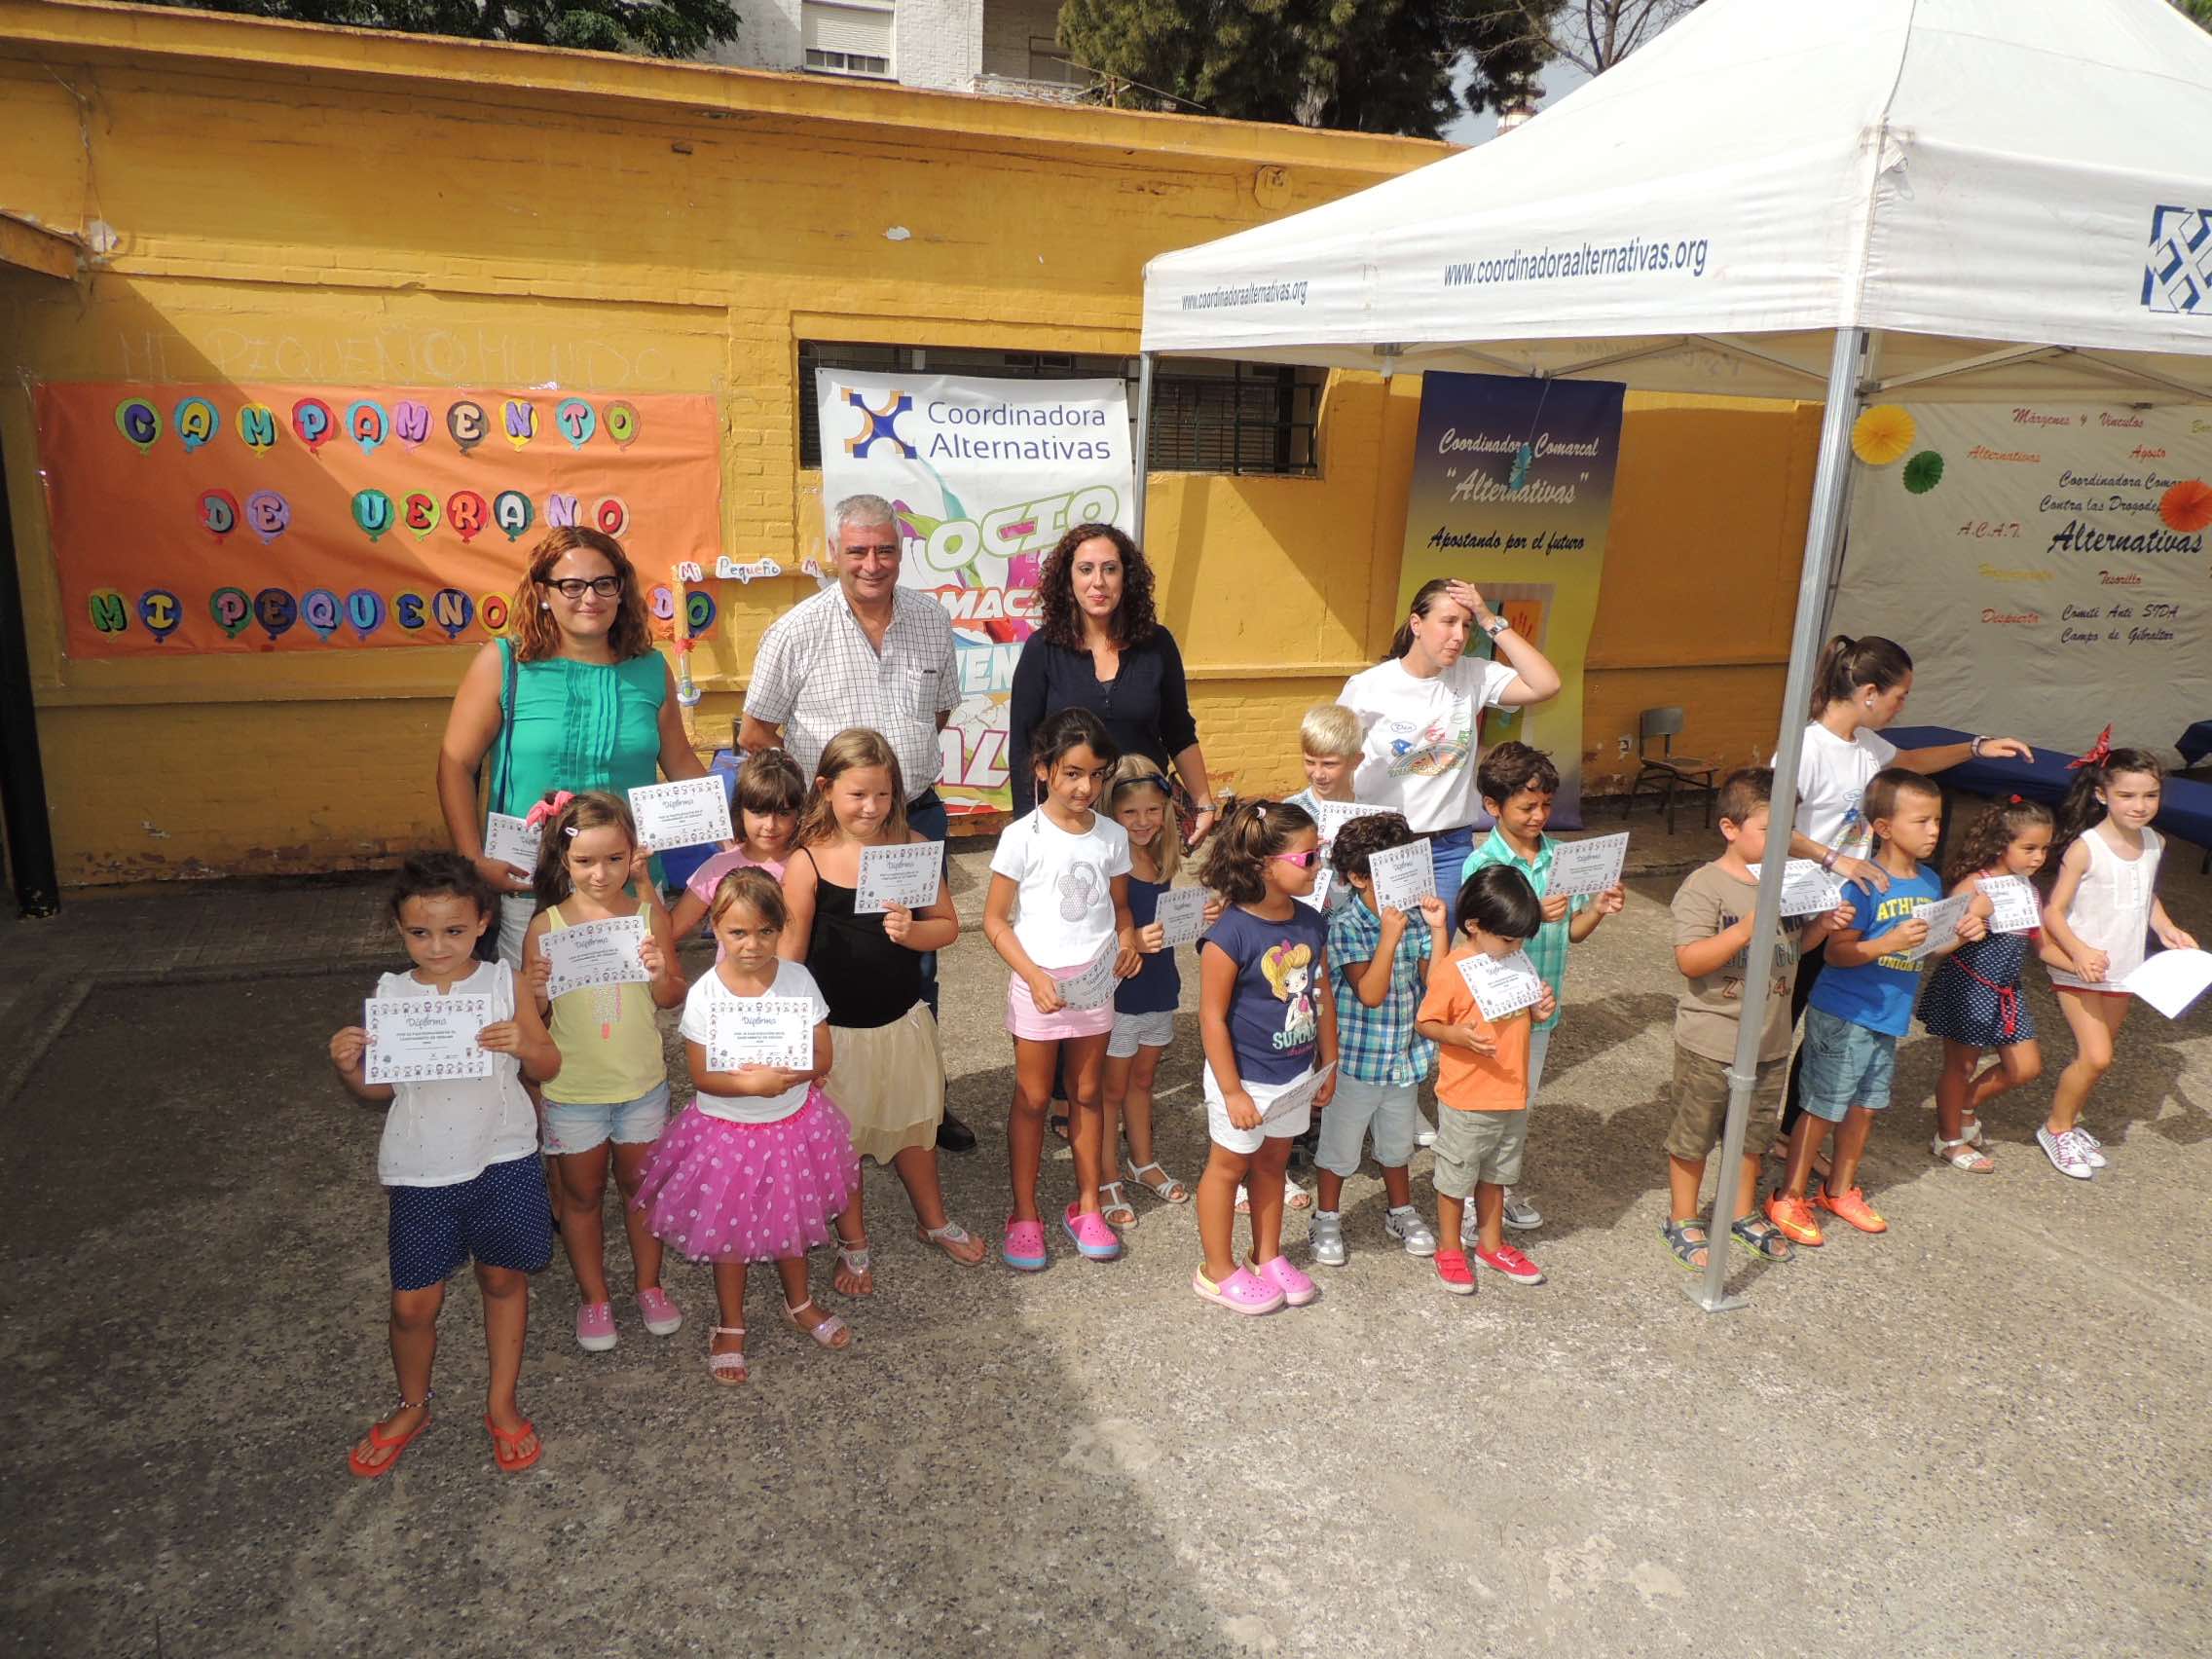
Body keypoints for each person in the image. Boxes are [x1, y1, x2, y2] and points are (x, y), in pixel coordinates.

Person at [739, 494, 976, 1154]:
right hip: (828, 833)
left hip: (909, 819)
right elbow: (756, 731)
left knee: (914, 959)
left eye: (886, 550)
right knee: (826, 957)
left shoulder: (931, 619)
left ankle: (921, 1100)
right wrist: (819, 807)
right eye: (858, 551)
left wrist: (894, 785)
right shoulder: (796, 630)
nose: (873, 564)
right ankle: (823, 1091)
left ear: (902, 552)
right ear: (834, 554)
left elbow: (938, 713)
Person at [328, 853, 559, 1477]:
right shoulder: (392, 995)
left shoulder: (505, 983)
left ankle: (501, 1400)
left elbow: (548, 1065)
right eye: (420, 932)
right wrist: (351, 1067)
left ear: (483, 922)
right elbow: (380, 1089)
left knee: (503, 1280)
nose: (437, 946)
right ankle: (413, 1404)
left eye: (454, 930)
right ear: (399, 930)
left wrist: (525, 1042)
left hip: (502, 1156)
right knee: (412, 1305)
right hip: (421, 1168)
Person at [1772, 635, 2032, 1149]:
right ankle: (1751, 1128)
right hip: (1799, 908)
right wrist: (1834, 858)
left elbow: (1911, 762)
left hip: (1847, 910)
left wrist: (1975, 747)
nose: (1902, 706)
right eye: (1900, 696)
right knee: (1780, 1021)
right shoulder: (1806, 748)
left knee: (1825, 1027)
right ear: (1869, 692)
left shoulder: (1867, 746)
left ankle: (1791, 1134)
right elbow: (1773, 823)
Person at [437, 526, 714, 968]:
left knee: (628, 1003)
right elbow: (455, 765)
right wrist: (473, 859)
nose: (590, 597)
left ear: (621, 590)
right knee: (533, 1003)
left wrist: (732, 834)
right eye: (572, 585)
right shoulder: (506, 663)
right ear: (543, 592)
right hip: (528, 883)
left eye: (604, 583)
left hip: (628, 881)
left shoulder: (649, 668)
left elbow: (680, 763)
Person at [629, 868, 861, 1382]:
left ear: (781, 928)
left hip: (793, 1126)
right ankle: (730, 1322)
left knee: (792, 1220)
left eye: (764, 931)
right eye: (737, 932)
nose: (751, 944)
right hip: (727, 1133)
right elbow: (701, 1075)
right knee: (727, 1234)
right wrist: (754, 1084)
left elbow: (823, 1055)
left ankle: (800, 1302)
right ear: (715, 928)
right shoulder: (706, 993)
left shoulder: (798, 980)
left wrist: (789, 1076)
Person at [780, 729, 985, 1278]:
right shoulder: (807, 862)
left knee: (915, 1128)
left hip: (901, 1024)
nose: (871, 807)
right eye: (857, 794)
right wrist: (797, 1039)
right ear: (825, 788)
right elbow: (789, 960)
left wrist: (912, 933)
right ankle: (853, 1240)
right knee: (842, 1141)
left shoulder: (913, 847)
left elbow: (947, 926)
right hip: (836, 1034)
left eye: (883, 794)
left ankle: (933, 1220)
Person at [1767, 770, 1988, 1247]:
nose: (1934, 830)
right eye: (1922, 821)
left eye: (1937, 820)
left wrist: (1963, 933)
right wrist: (1888, 941)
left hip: (1889, 1015)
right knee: (1822, 1108)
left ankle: (1839, 1190)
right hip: (1844, 1012)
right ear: (1884, 828)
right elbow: (1835, 953)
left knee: (1865, 1108)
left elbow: (1928, 947)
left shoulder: (1929, 882)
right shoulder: (1866, 884)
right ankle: (1788, 1195)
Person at [1661, 769, 1851, 1272]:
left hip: (1770, 1039)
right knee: (1694, 1134)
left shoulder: (1788, 883)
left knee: (1753, 1136)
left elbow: (1793, 949)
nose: (1782, 840)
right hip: (1712, 1038)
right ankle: (1682, 1217)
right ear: (1730, 827)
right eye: (1770, 829)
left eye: (1789, 829)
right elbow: (1690, 960)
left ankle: (1741, 1210)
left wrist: (1822, 927)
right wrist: (1745, 929)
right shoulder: (1707, 885)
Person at [518, 791, 686, 1352]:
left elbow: (670, 996)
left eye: (614, 858)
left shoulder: (647, 916)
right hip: (572, 1090)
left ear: (632, 854)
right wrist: (537, 992)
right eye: (585, 861)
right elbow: (535, 1019)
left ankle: (649, 1286)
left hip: (641, 1084)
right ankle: (594, 1298)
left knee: (641, 1190)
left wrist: (660, 973)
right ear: (563, 860)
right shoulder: (545, 926)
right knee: (581, 1196)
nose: (600, 873)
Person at [983, 709, 1139, 1271]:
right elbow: (995, 921)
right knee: (1031, 1099)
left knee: (1088, 1094)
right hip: (1039, 986)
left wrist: (1127, 942)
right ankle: (1025, 1213)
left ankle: (1088, 1204)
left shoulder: (1112, 836)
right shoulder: (1020, 837)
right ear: (1044, 769)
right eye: (1072, 773)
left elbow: (1120, 909)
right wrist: (1033, 976)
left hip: (1095, 986)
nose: (1085, 788)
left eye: (1096, 775)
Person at [1458, 742, 1625, 1239]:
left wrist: (1597, 909)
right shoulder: (1483, 864)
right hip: (1495, 1011)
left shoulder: (1560, 859)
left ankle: (1498, 1191)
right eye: (1527, 806)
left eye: (1546, 805)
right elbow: (1479, 944)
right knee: (1483, 1108)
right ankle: (1465, 1201)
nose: (1539, 816)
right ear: (1493, 806)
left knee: (1518, 1106)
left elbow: (1573, 931)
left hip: (1540, 1009)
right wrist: (1532, 915)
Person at [1192, 800, 1338, 1314]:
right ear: (1263, 866)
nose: (1318, 866)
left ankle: (1267, 1255)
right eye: (1308, 858)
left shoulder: (1312, 922)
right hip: (1243, 1078)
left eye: (1319, 853)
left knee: (1274, 1164)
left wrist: (1328, 1061)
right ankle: (1216, 1270)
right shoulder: (1229, 934)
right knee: (1228, 1167)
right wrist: (1232, 1091)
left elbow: (1321, 994)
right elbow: (1211, 1018)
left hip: (1294, 1073)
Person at [1337, 578, 1562, 902]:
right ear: (1416, 623)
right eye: (1448, 622)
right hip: (1383, 843)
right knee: (1388, 933)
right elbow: (1333, 760)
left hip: (1450, 848)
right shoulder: (1368, 686)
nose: (1459, 636)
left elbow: (1546, 684)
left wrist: (1490, 620)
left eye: (1467, 625)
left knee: (1444, 932)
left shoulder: (1475, 675)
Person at [1007, 522, 1220, 844]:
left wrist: (1204, 804)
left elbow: (1179, 732)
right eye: (1086, 569)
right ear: (1068, 579)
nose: (1098, 582)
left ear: (1126, 577)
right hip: (1070, 826)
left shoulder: (1157, 644)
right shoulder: (1043, 649)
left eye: (1110, 569)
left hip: (1143, 823)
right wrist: (1028, 826)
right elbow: (1024, 746)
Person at [2039, 745, 2195, 1180]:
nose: (2139, 806)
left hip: (2125, 970)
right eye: (2127, 795)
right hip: (2080, 969)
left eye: (2150, 795)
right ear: (2102, 795)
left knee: (2097, 1058)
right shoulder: (2085, 848)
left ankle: (2069, 1123)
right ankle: (2056, 1128)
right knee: (2097, 1056)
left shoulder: (2155, 842)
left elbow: (2145, 895)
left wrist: (2167, 929)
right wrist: (2078, 952)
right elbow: (2054, 911)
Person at [1311, 812, 1446, 1268]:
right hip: (1357, 1062)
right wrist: (1388, 938)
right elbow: (1369, 993)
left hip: (1403, 1060)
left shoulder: (1417, 919)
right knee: (1339, 1146)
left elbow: (1436, 984)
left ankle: (1400, 1210)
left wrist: (1439, 929)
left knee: (1397, 1144)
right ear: (1358, 878)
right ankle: (1326, 1216)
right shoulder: (1347, 925)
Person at [1416, 866, 1553, 1295]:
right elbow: (1426, 1021)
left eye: (1521, 940)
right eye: (1509, 939)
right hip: (1467, 1097)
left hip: (1511, 1093)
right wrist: (1457, 1036)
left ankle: (1491, 1243)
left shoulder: (1513, 960)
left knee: (1496, 1176)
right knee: (1455, 1178)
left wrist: (1538, 1011)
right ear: (1474, 925)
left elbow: (1521, 1016)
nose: (1517, 947)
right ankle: (1449, 1247)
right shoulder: (1453, 970)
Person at [1096, 756, 1219, 1226]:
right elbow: (1094, 931)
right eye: (1130, 812)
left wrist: (1203, 914)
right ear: (1111, 812)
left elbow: (1168, 919)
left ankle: (1141, 1161)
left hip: (1160, 988)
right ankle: (1106, 1174)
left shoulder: (1161, 857)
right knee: (1111, 1090)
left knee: (1144, 1081)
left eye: (1152, 810)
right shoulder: (1108, 864)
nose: (1143, 821)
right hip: (1120, 995)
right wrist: (1130, 940)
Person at [1916, 796, 2057, 1174]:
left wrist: (2083, 965)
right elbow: (1937, 945)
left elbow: (2042, 947)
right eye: (2029, 848)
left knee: (2025, 1067)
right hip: (1969, 985)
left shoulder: (2027, 889)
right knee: (1960, 1066)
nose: (2038, 857)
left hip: (2007, 991)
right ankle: (1948, 1138)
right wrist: (1974, 918)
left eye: (2044, 849)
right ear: (2000, 844)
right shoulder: (1975, 885)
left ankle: (1963, 1107)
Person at [670, 749, 805, 949]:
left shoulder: (810, 864)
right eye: (759, 812)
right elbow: (670, 930)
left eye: (783, 813)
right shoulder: (718, 868)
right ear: (740, 810)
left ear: (799, 813)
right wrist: (643, 880)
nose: (770, 825)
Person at [1285, 701, 1365, 913]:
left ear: (1356, 760)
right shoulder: (1289, 813)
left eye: (1329, 764)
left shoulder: (1370, 816)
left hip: (1356, 925)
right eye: (1310, 762)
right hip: (1303, 923)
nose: (1318, 774)